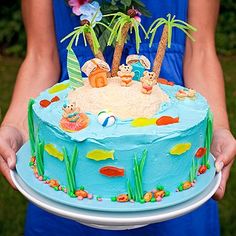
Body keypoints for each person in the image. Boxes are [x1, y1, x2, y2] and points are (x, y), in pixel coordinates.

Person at [0, 0, 235, 235]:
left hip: (172, 151)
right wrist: (15, 125)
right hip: (73, 140)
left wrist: (218, 129)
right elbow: (41, 56)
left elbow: (201, 52)